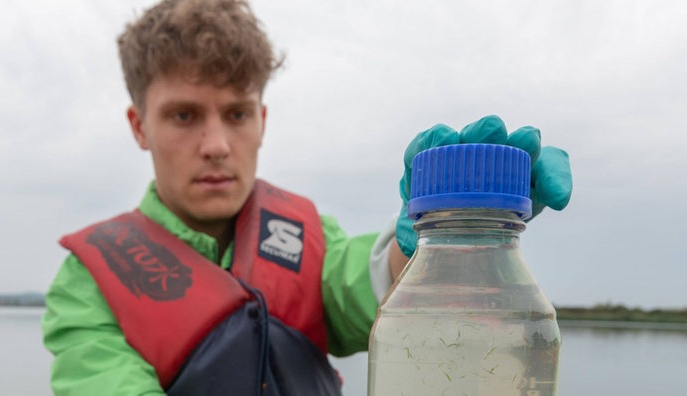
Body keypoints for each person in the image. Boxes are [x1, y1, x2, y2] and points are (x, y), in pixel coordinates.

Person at [41, 0, 573, 395]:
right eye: (184, 115)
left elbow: (361, 281)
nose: (217, 145)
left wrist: (446, 230)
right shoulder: (88, 279)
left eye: (237, 113)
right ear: (139, 126)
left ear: (262, 120)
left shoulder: (306, 234)